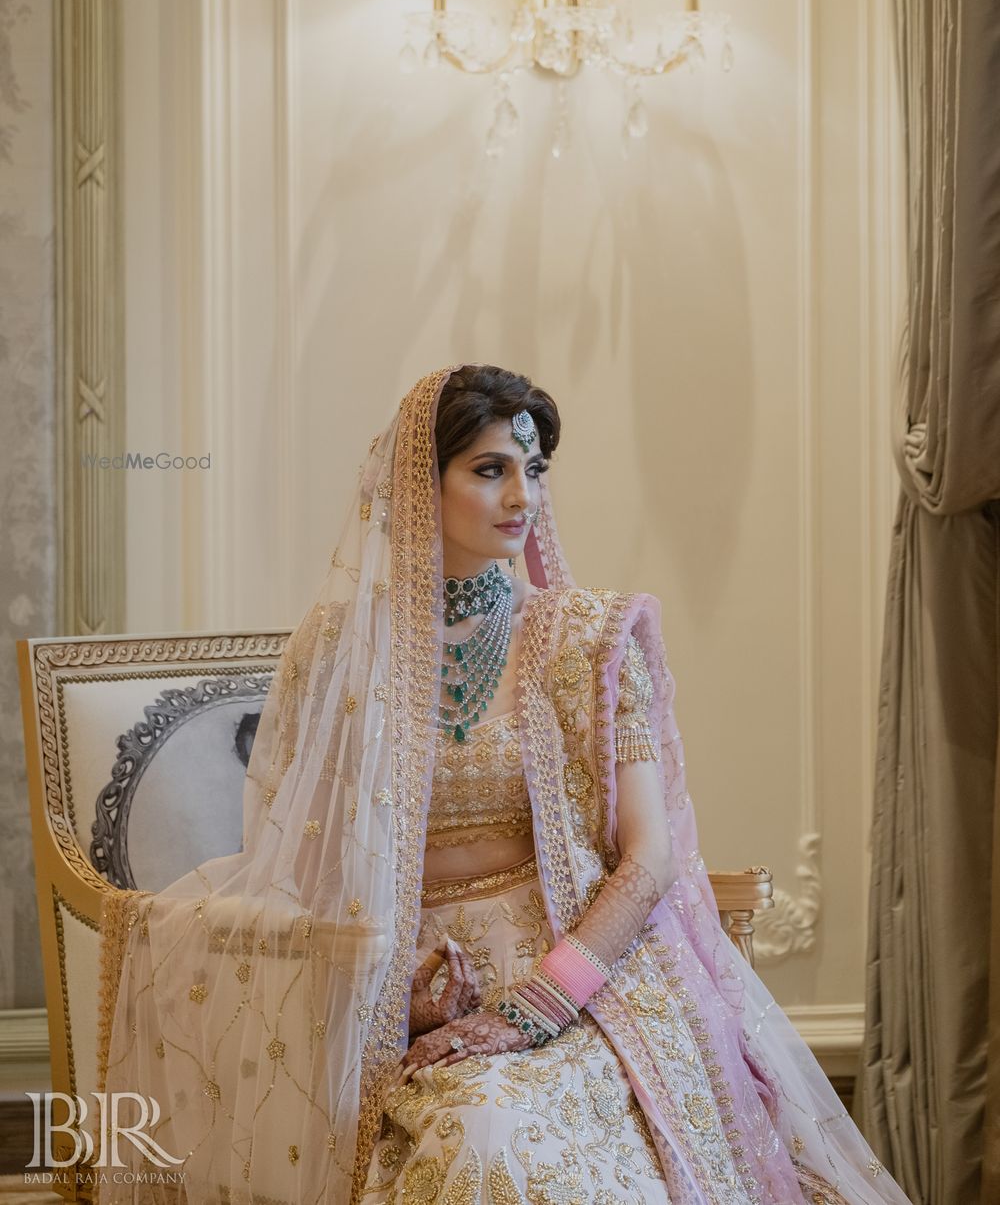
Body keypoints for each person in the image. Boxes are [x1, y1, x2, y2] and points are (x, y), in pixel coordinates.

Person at [99, 365, 912, 1205]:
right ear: (422, 483)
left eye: (535, 471)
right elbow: (306, 868)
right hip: (409, 992)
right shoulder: (341, 656)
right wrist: (400, 997)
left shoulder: (585, 643)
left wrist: (537, 1004)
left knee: (516, 1134)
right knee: (469, 1130)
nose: (523, 496)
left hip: (587, 981)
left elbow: (651, 858)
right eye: (490, 469)